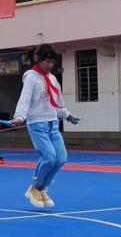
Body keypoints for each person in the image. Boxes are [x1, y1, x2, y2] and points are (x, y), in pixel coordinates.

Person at [9, 44, 79, 209]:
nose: (50, 65)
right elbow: (25, 98)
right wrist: (19, 117)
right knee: (49, 157)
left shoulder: (53, 79)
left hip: (53, 123)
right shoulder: (31, 77)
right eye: (47, 61)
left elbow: (58, 103)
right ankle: (35, 188)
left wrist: (67, 115)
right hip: (37, 124)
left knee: (61, 158)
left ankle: (41, 188)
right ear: (37, 59)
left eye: (52, 62)